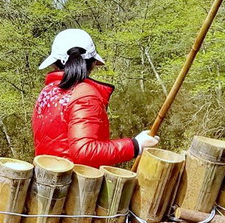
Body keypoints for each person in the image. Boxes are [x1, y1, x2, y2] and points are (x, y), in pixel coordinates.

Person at [32, 29, 158, 168]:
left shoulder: (47, 91)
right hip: (75, 184)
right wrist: (135, 145)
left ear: (54, 64)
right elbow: (84, 151)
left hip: (47, 179)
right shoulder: (85, 94)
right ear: (92, 63)